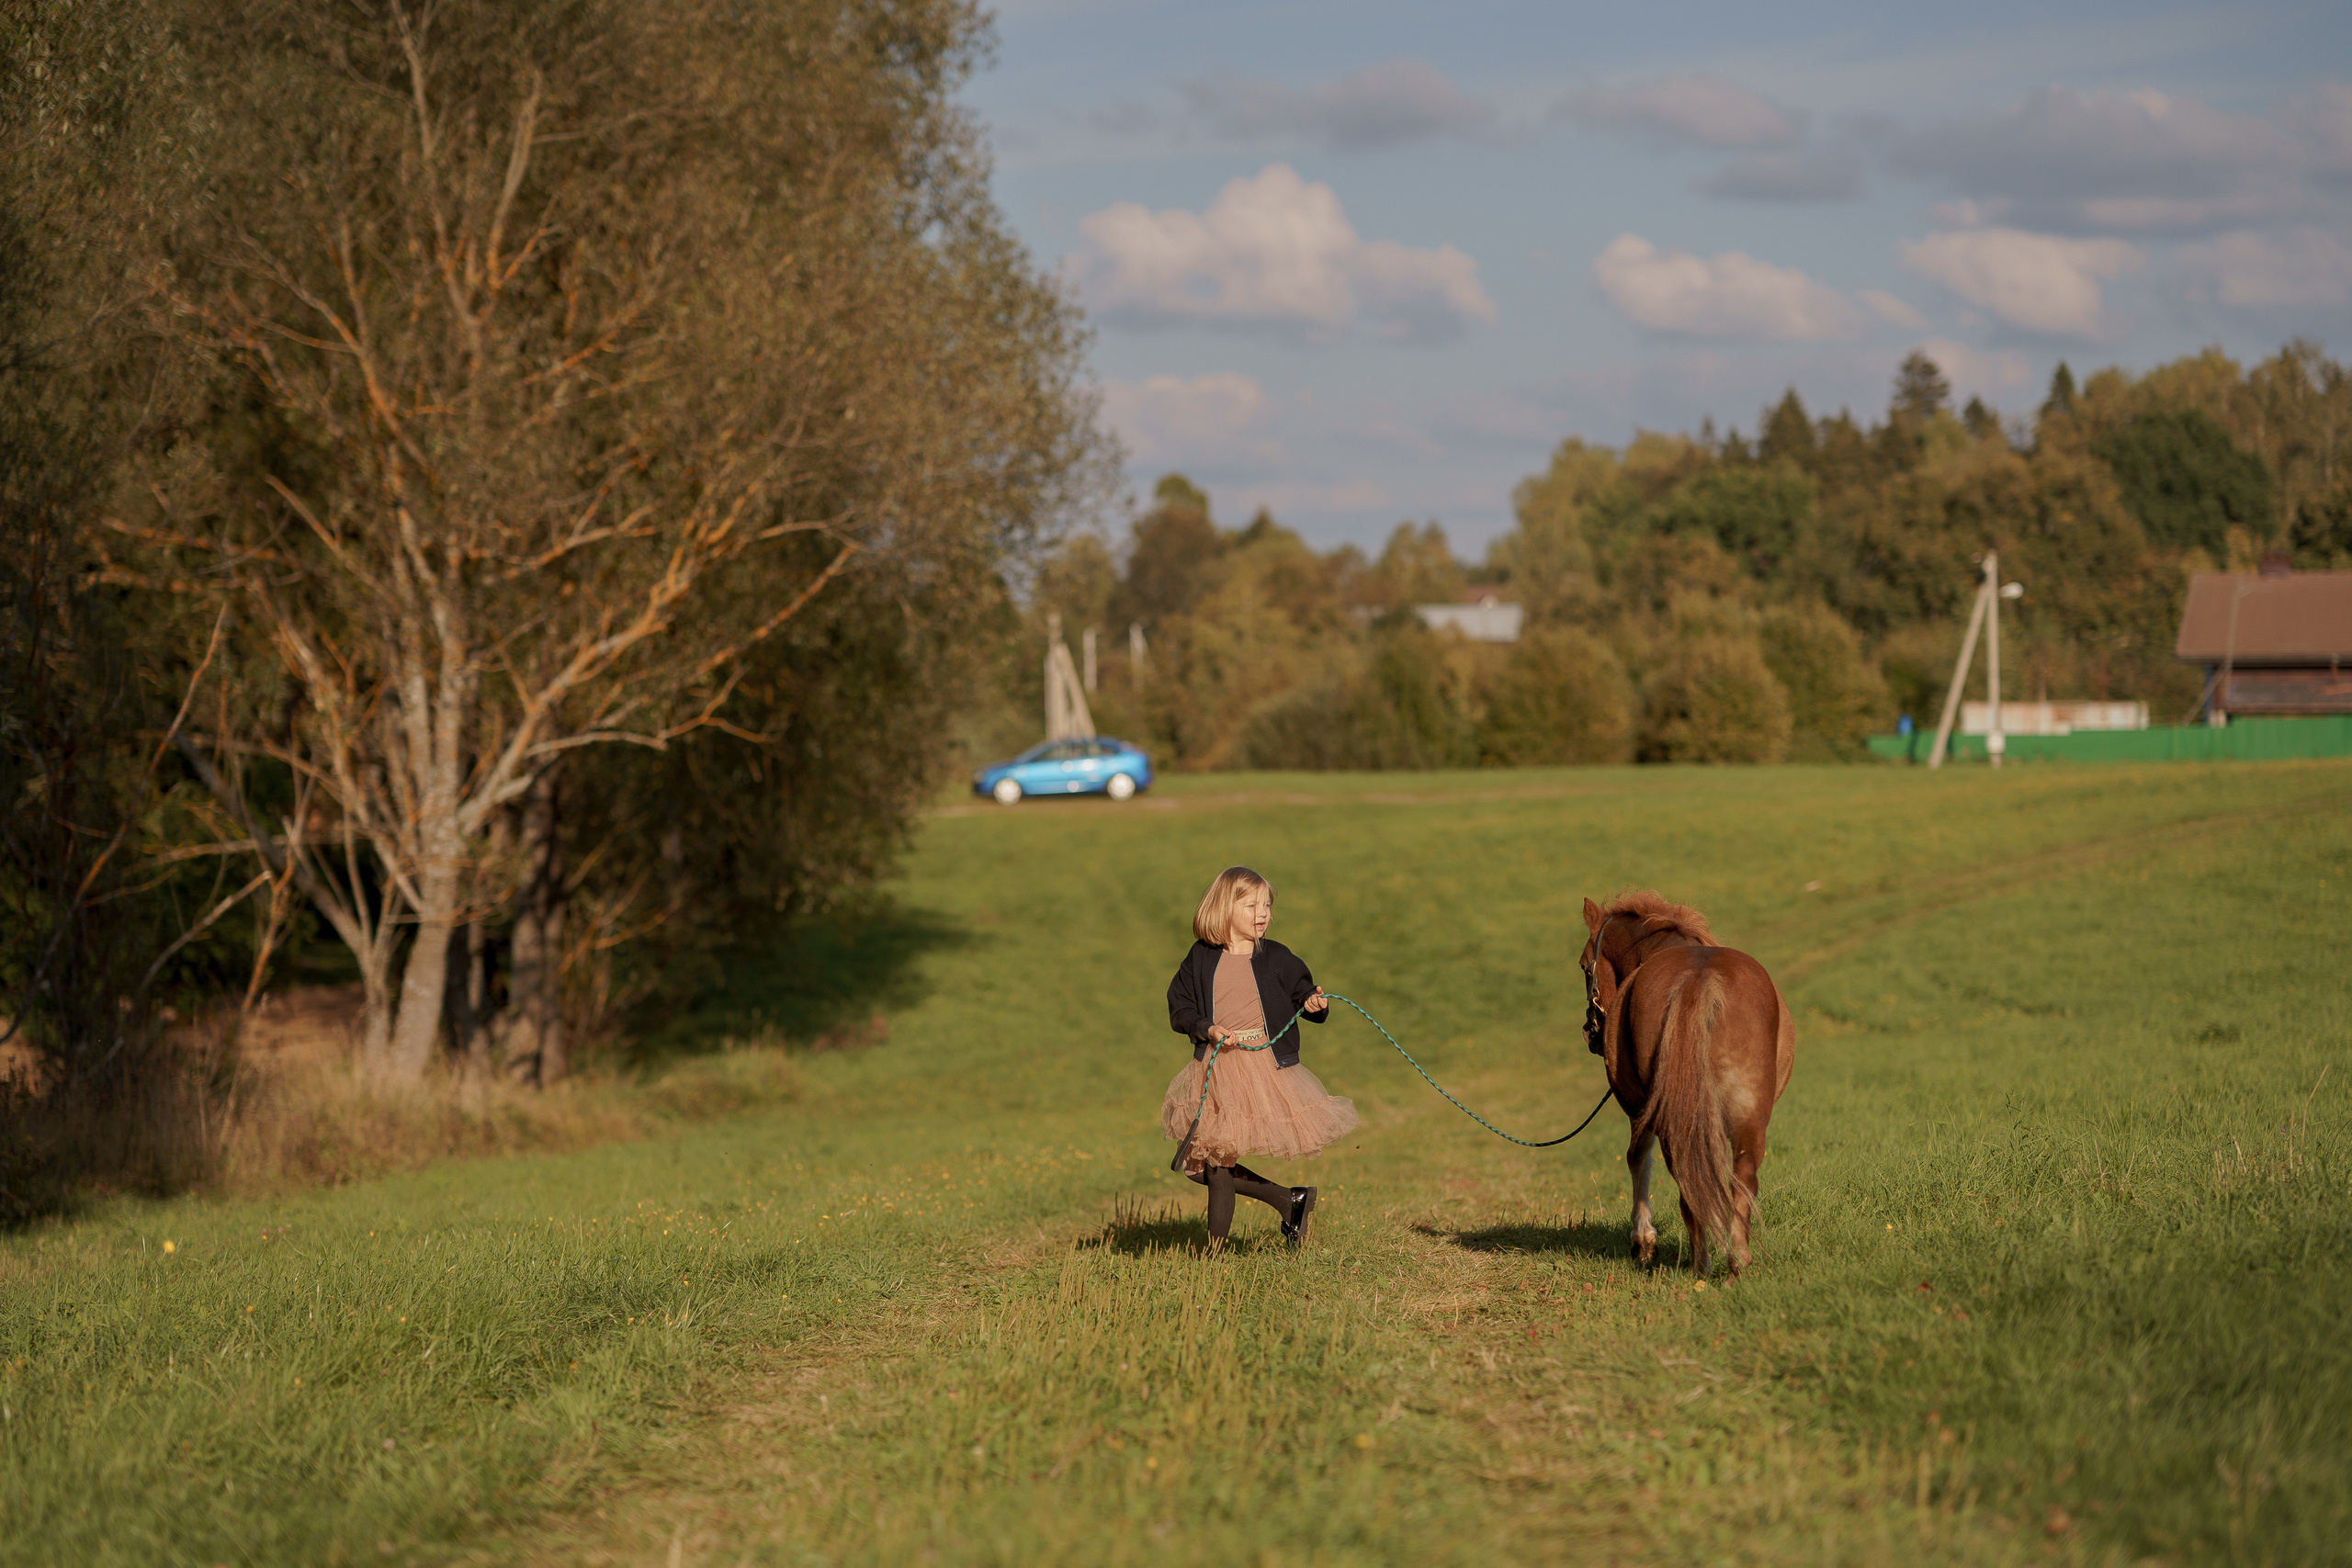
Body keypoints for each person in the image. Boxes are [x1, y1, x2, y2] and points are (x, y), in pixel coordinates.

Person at [1160, 866, 1360, 1252]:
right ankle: (1290, 1200)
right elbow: (1178, 1005)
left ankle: (1215, 1257)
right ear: (1223, 908)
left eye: (1266, 905)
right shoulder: (1201, 958)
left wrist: (1314, 1004)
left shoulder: (1277, 957)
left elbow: (1306, 995)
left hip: (1260, 1067)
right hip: (1215, 1066)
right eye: (1251, 905)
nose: (1262, 913)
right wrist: (1206, 1027)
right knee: (1195, 1167)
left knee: (1217, 1164)